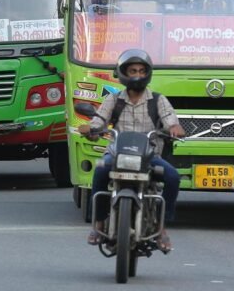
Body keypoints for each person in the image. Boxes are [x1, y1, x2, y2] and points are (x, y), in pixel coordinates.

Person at [78, 49, 186, 252]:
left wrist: (174, 128)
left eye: (141, 71)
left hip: (149, 156)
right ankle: (99, 224)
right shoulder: (114, 100)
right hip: (117, 155)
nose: (137, 75)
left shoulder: (158, 100)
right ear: (123, 73)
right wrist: (91, 130)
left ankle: (162, 227)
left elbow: (170, 119)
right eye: (133, 70)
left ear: (148, 73)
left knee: (173, 177)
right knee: (100, 171)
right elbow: (99, 120)